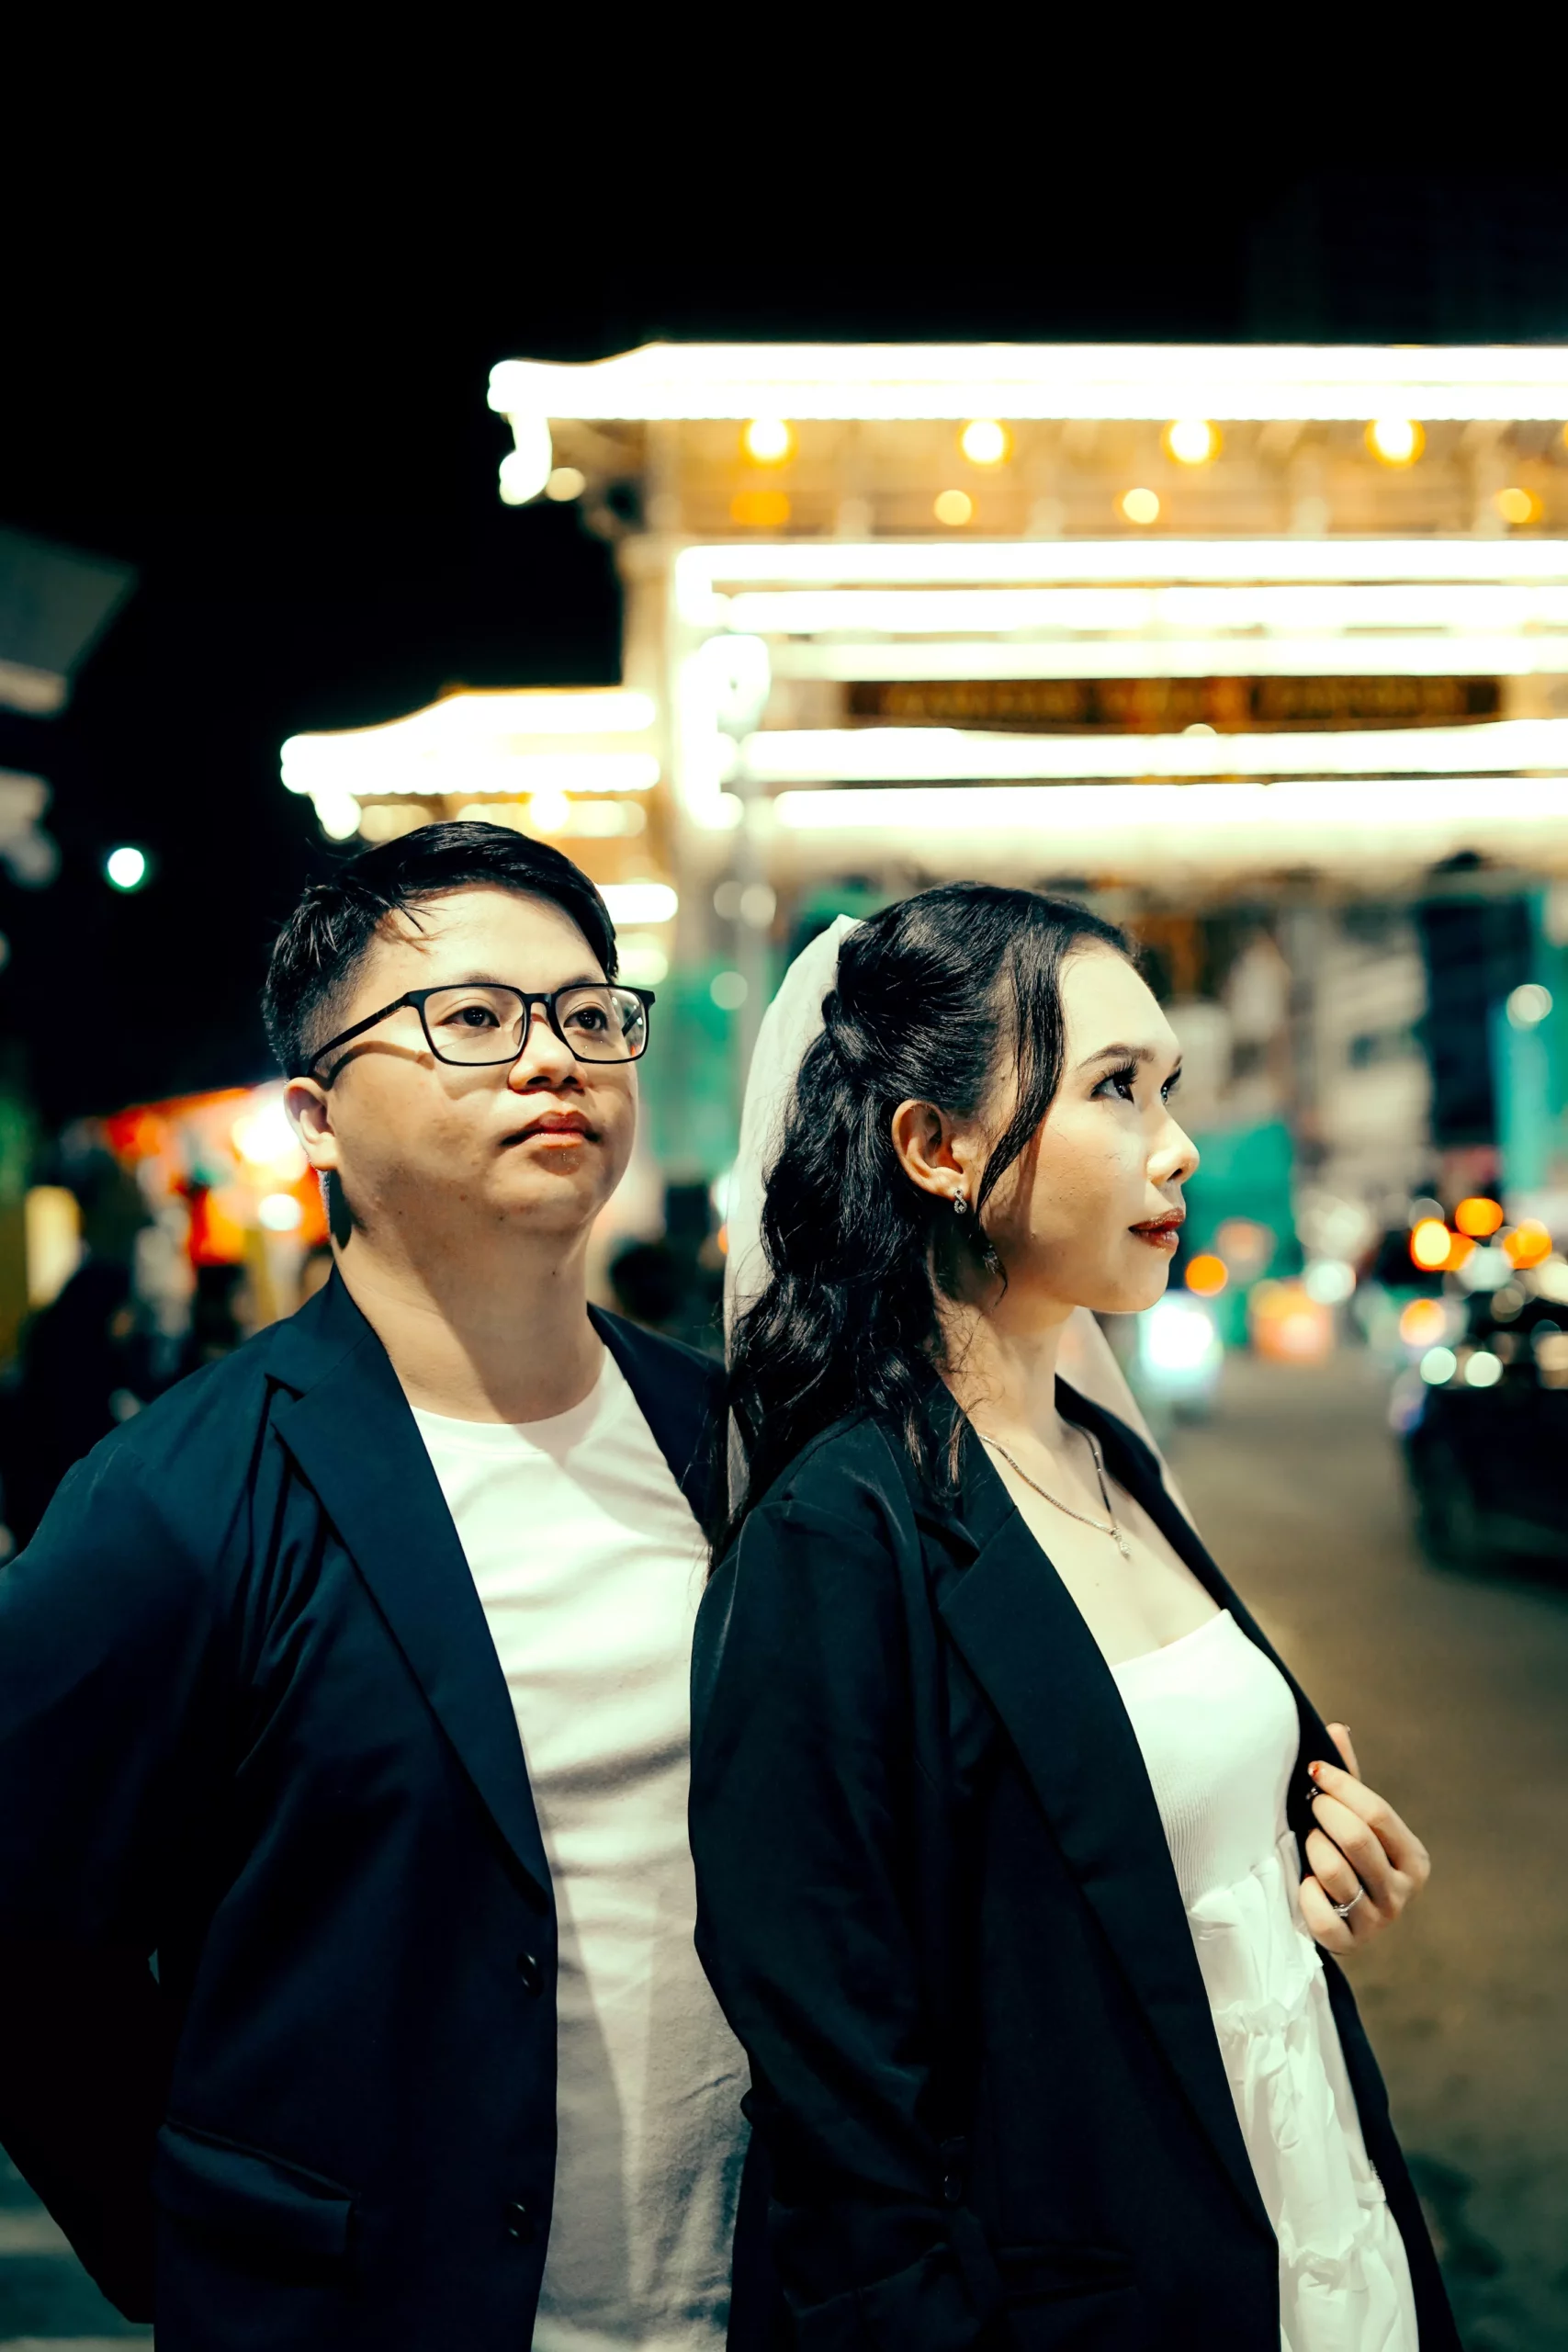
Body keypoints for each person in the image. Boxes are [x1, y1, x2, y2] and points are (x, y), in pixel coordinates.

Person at [0, 822, 778, 2352]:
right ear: (317, 1118)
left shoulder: (737, 1446)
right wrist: (208, 2246)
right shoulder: (180, 1499)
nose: (551, 1057)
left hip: (747, 2308)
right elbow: (24, 1932)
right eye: (472, 1017)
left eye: (587, 1014)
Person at [690, 884, 1458, 2351]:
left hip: (1309, 2202)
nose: (1175, 1146)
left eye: (1167, 1086)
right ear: (935, 1147)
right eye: (1114, 1089)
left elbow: (1120, 1860)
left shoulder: (1103, 1456)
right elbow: (844, 2113)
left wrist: (1301, 1853)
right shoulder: (838, 1539)